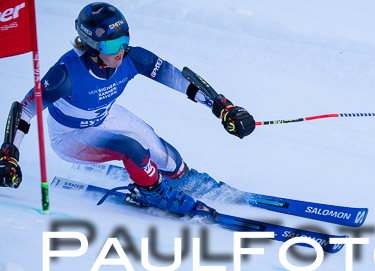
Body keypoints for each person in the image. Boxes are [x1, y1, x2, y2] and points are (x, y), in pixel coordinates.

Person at [0, 2, 255, 215]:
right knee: (131, 146)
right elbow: (24, 110)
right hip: (70, 136)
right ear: (92, 45)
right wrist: (9, 154)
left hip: (105, 116)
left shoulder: (133, 58)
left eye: (124, 40)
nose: (120, 51)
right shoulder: (66, 75)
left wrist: (222, 107)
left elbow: (180, 80)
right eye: (111, 45)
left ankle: (181, 178)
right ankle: (152, 192)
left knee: (166, 157)